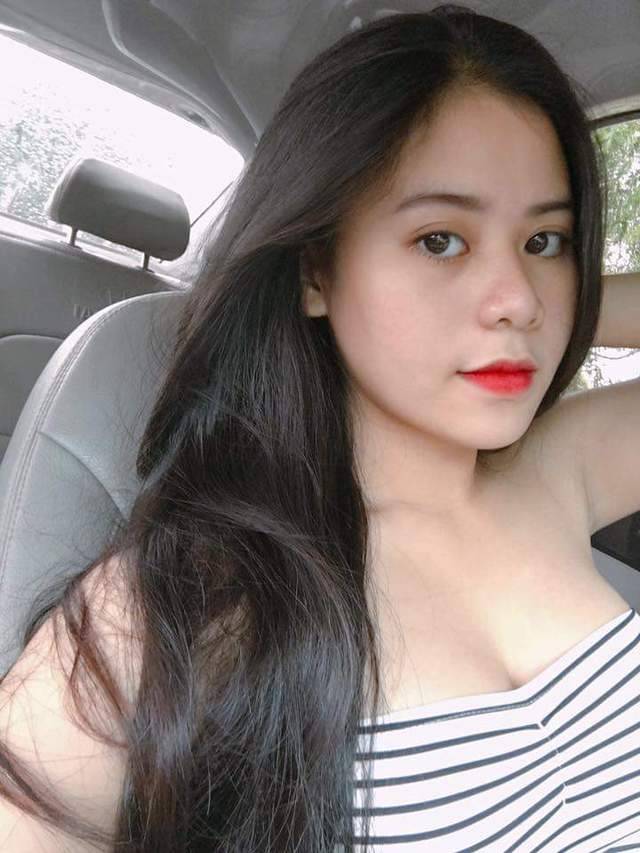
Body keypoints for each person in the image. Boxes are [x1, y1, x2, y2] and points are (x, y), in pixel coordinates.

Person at [0, 4, 633, 851]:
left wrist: (564, 310)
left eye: (546, 240)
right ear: (315, 271)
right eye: (440, 240)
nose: (518, 296)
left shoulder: (558, 469)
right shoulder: (177, 598)